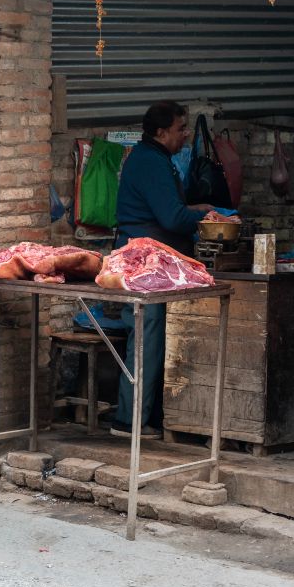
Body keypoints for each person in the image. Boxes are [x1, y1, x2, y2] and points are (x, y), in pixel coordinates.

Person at [110, 101, 212, 438]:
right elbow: (171, 218)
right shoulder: (150, 163)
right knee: (146, 338)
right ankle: (132, 421)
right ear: (160, 132)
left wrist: (194, 209)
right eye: (180, 129)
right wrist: (206, 216)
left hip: (152, 261)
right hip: (143, 262)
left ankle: (147, 417)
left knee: (150, 337)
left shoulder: (154, 159)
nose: (184, 135)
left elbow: (168, 210)